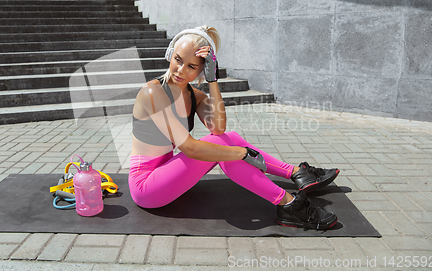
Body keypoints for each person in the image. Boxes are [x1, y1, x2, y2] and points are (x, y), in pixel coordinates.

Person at [129, 26, 340, 230]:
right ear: (170, 53)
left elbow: (218, 129)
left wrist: (213, 81)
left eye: (192, 66)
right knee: (225, 148)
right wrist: (240, 153)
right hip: (146, 188)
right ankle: (289, 203)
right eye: (178, 59)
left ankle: (296, 175)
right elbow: (190, 149)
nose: (180, 70)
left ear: (202, 70)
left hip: (165, 175)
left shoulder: (195, 96)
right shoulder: (152, 93)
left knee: (228, 137)